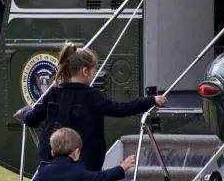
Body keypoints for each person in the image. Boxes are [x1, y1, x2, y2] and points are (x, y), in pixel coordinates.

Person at [17, 43, 167, 172]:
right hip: (83, 161)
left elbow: (32, 119)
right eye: (94, 72)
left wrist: (24, 112)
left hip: (51, 159)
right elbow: (121, 109)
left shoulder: (54, 93)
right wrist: (151, 100)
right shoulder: (92, 95)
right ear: (85, 71)